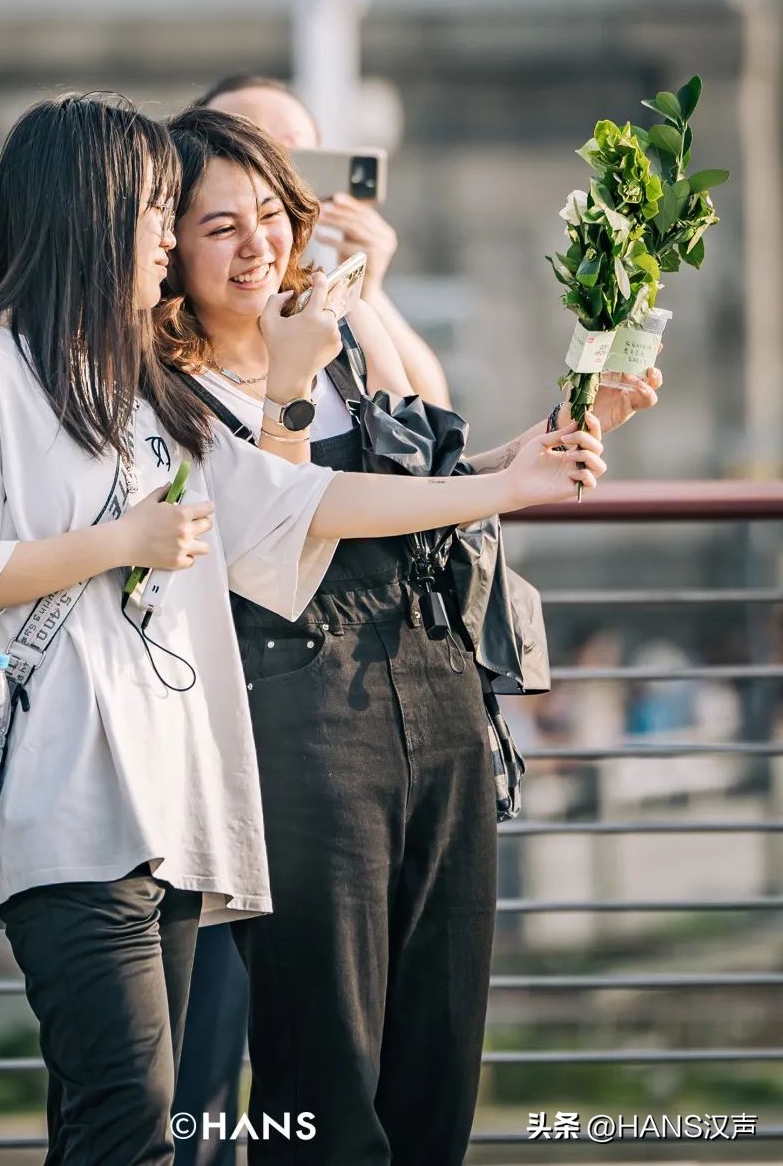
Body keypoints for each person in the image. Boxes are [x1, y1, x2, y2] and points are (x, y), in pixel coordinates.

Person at [0, 92, 604, 1166]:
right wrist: (120, 536)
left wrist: (515, 478)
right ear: (89, 215)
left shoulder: (138, 396)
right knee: (131, 1118)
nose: (165, 242)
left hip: (169, 808)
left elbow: (291, 521)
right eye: (158, 211)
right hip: (66, 799)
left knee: (139, 1120)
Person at [158, 106, 655, 1166]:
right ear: (168, 250)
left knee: (436, 1059)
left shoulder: (331, 339)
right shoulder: (170, 385)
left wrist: (563, 432)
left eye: (269, 216)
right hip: (300, 711)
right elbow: (280, 529)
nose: (260, 247)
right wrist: (288, 383)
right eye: (219, 229)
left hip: (431, 684)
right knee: (325, 1075)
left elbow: (422, 491)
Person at [194, 74, 451, 407]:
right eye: (240, 147)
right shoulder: (162, 349)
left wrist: (366, 289)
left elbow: (431, 435)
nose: (265, 170)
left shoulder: (332, 311)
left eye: (290, 152)